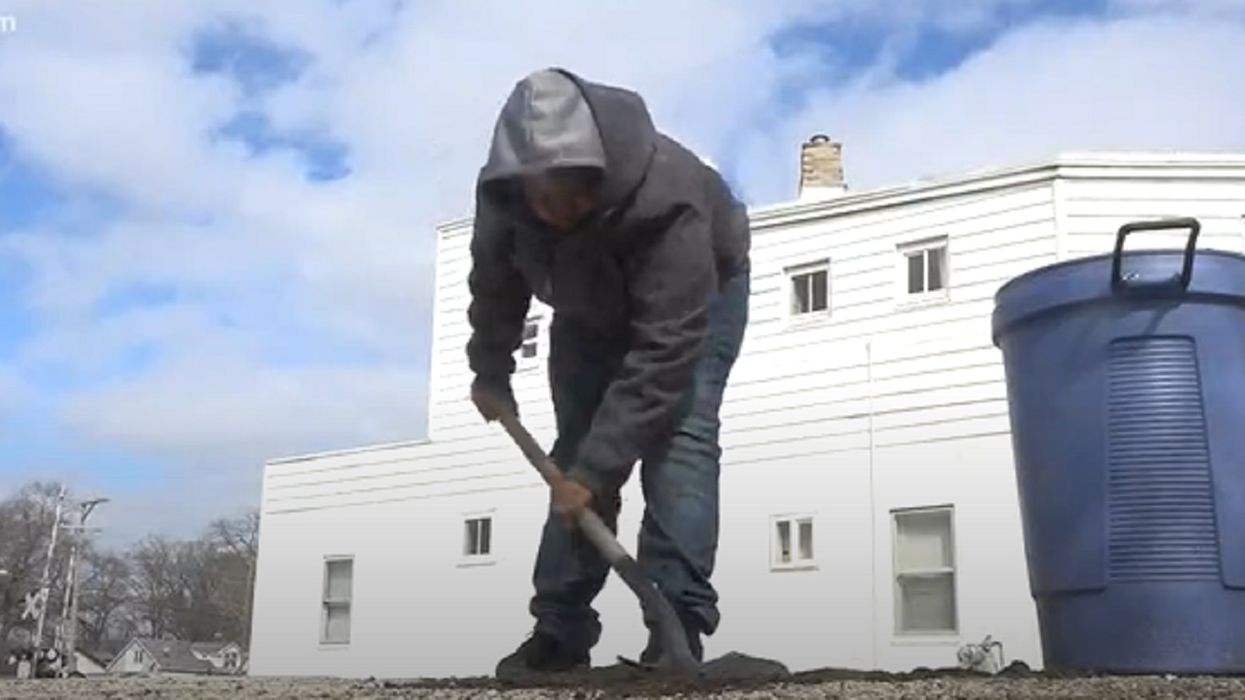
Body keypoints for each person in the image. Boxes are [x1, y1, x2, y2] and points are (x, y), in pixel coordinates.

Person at [465, 67, 751, 678]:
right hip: (589, 309)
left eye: (578, 193)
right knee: (575, 452)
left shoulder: (668, 195)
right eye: (547, 199)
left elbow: (666, 350)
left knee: (680, 440)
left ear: (600, 171)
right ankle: (560, 632)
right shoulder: (502, 200)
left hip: (699, 298)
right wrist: (489, 367)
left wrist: (596, 473)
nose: (563, 212)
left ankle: (677, 625)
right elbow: (496, 283)